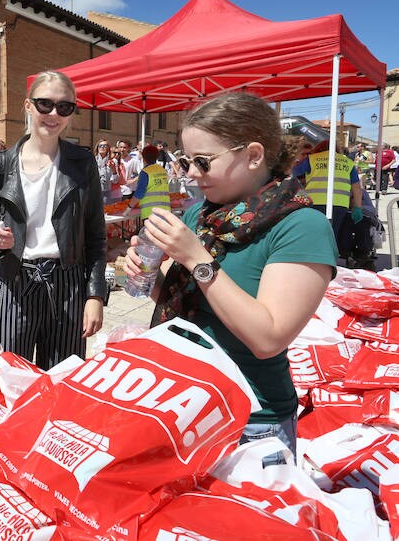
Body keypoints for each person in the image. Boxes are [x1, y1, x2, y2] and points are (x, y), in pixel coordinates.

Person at [124, 92, 336, 466]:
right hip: (180, 406)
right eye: (186, 161)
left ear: (254, 155)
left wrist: (195, 258)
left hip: (250, 425)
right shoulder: (199, 217)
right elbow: (190, 304)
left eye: (203, 162)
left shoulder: (302, 226)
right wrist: (148, 274)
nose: (190, 173)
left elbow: (267, 338)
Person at [0, 70, 106, 369]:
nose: (53, 114)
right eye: (45, 104)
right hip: (13, 279)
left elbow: (95, 235)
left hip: (68, 281)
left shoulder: (82, 163)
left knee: (62, 376)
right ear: (28, 106)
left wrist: (95, 294)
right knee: (11, 376)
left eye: (65, 107)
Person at [292, 140, 363, 262]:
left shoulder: (312, 159)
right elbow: (356, 187)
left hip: (314, 203)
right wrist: (358, 207)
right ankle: (329, 263)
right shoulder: (348, 162)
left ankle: (311, 262)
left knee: (312, 233)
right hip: (339, 204)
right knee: (331, 235)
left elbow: (292, 173)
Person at [124, 145, 171, 219]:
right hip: (165, 211)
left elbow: (139, 193)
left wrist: (128, 208)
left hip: (150, 213)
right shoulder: (162, 170)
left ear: (143, 157)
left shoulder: (145, 172)